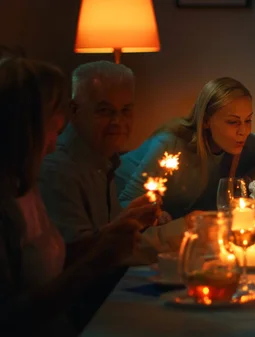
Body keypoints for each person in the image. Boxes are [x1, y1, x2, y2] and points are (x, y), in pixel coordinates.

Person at [0, 57, 150, 336]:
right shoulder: (51, 173)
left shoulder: (26, 183)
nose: (55, 143)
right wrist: (98, 259)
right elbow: (10, 320)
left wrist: (120, 227)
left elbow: (60, 257)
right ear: (18, 125)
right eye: (51, 127)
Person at [38, 60, 168, 330]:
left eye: (126, 110)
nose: (117, 122)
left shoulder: (102, 158)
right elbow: (74, 260)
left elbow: (101, 235)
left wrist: (131, 218)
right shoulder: (57, 169)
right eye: (105, 111)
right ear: (74, 110)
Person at [116, 77, 255, 218]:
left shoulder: (244, 141)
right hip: (108, 206)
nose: (243, 131)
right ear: (205, 121)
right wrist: (155, 216)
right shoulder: (170, 144)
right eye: (233, 122)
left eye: (248, 120)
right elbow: (125, 204)